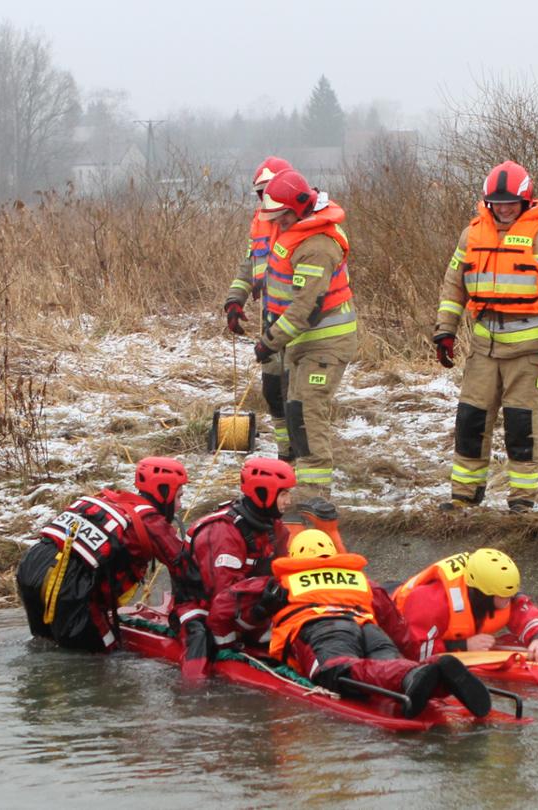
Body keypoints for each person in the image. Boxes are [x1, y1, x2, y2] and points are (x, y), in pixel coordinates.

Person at [432, 161, 538, 512]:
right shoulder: (471, 235)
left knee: (521, 427)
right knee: (470, 421)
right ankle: (464, 497)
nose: (503, 208)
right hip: (483, 350)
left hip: (529, 353)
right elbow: (453, 286)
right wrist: (445, 331)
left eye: (510, 202)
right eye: (497, 202)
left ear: (525, 201)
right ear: (488, 203)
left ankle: (522, 500)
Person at [263, 530, 492, 719]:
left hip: (322, 629)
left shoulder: (283, 582)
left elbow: (233, 605)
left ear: (294, 557)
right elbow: (395, 626)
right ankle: (430, 672)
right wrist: (413, 656)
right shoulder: (363, 580)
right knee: (389, 662)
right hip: (369, 629)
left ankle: (413, 675)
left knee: (338, 670)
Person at [254, 168, 358, 503]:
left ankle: (315, 492)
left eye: (282, 219)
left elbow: (303, 306)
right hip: (303, 341)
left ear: (297, 210)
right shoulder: (297, 232)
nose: (279, 226)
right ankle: (304, 482)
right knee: (295, 408)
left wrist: (270, 340)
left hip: (326, 342)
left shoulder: (317, 245)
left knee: (309, 410)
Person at [16, 457, 189, 652]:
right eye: (179, 497)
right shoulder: (151, 521)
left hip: (31, 567)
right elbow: (187, 569)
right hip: (68, 584)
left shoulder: (111, 501)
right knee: (100, 654)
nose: (180, 506)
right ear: (164, 492)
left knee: (46, 645)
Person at [174, 457, 297, 680]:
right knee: (202, 639)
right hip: (200, 604)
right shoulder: (223, 532)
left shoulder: (274, 529)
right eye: (284, 493)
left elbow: (284, 573)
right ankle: (192, 693)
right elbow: (221, 597)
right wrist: (259, 612)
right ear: (263, 492)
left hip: (246, 601)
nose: (289, 500)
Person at [223, 156, 295, 457]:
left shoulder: (300, 225)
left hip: (300, 323)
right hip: (271, 318)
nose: (265, 199)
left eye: (270, 191)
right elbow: (251, 264)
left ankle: (304, 456)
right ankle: (285, 453)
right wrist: (235, 300)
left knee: (296, 395)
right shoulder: (261, 223)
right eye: (260, 193)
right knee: (272, 390)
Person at [392, 548, 538, 661]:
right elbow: (413, 650)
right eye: (504, 596)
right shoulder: (431, 601)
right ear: (484, 594)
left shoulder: (502, 595)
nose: (511, 599)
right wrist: (463, 646)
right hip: (394, 615)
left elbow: (529, 616)